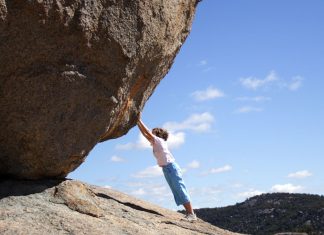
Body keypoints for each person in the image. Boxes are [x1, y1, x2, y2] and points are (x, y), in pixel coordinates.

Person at [137, 113, 197, 222]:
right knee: (177, 191)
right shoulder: (156, 143)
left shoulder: (160, 141)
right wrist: (136, 123)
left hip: (171, 168)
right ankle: (189, 213)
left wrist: (139, 120)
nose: (151, 134)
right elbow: (145, 135)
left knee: (180, 189)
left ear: (158, 135)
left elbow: (147, 133)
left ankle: (191, 214)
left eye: (154, 133)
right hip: (166, 169)